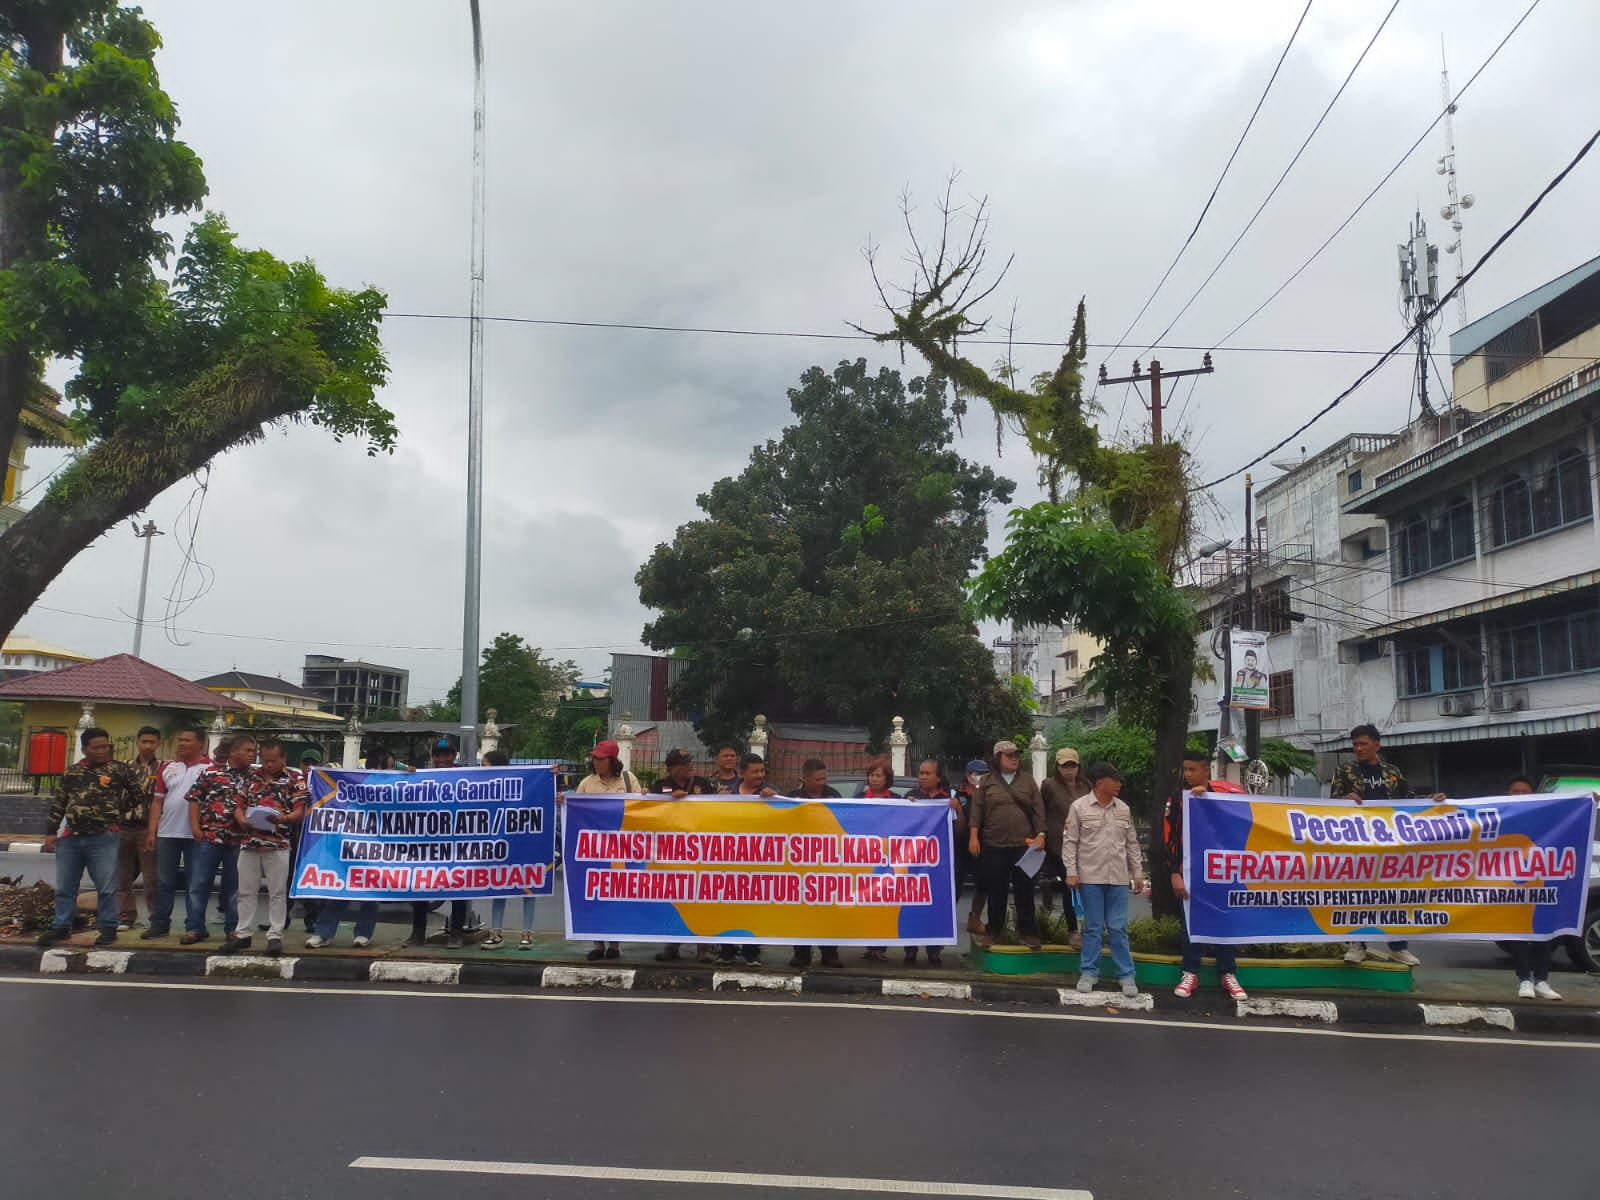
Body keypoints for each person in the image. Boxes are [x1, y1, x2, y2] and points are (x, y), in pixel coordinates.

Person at [1330, 724, 1434, 966]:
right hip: (1359, 843)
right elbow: (1331, 805)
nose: (1358, 748)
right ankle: (1357, 944)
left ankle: (1398, 947)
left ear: (1377, 745)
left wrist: (1433, 801)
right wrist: (1344, 800)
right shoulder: (1345, 771)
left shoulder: (1392, 771)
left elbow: (1409, 800)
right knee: (1360, 895)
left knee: (1394, 895)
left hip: (1391, 844)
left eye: (1363, 743)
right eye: (1355, 744)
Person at [37, 728, 143, 948]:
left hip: (103, 837)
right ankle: (61, 927)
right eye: (97, 747)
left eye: (105, 746)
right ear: (85, 749)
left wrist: (116, 809)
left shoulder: (118, 770)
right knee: (66, 887)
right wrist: (50, 832)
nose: (103, 751)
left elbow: (138, 794)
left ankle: (107, 928)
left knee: (106, 887)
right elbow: (59, 803)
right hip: (71, 837)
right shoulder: (73, 772)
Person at [1165, 750, 1248, 1000]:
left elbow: (1246, 818)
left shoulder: (1225, 793)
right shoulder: (1178, 799)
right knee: (1191, 923)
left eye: (1192, 770)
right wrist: (1174, 874)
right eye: (1185, 770)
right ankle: (1190, 972)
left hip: (1221, 872)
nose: (1188, 775)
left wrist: (1209, 800)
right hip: (1191, 872)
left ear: (1206, 770)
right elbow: (1169, 839)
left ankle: (1228, 973)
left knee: (1224, 920)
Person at [1066, 762, 1145, 999]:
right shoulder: (1078, 807)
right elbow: (1070, 842)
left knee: (1118, 928)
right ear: (1101, 782)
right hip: (1090, 877)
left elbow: (1131, 843)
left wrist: (1137, 872)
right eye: (1115, 780)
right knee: (1092, 928)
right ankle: (1089, 973)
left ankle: (1126, 975)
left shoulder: (1123, 809)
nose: (1119, 784)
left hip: (1119, 879)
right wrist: (1071, 871)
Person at [224, 737, 305, 956]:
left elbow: (300, 809)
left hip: (278, 843)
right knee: (245, 891)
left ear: (283, 759)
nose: (268, 765)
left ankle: (275, 935)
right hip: (249, 841)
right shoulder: (250, 776)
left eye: (273, 761)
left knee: (277, 892)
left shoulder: (295, 778)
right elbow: (237, 804)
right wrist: (241, 818)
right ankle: (242, 934)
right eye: (265, 760)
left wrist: (284, 819)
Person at [306, 747, 387, 949]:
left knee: (370, 892)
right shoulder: (355, 781)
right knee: (339, 889)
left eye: (385, 767)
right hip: (349, 844)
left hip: (377, 848)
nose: (379, 769)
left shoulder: (394, 785)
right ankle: (323, 933)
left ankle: (363, 934)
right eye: (376, 766)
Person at [968, 740, 1046, 949]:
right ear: (997, 758)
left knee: (1025, 889)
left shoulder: (1028, 781)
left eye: (1016, 755)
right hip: (994, 843)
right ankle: (993, 931)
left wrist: (1041, 834)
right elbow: (976, 812)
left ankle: (1028, 932)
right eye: (1009, 755)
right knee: (996, 889)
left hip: (1023, 844)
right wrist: (974, 837)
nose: (1014, 759)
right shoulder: (985, 782)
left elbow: (1038, 809)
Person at [182, 733, 255, 945]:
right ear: (233, 752)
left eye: (254, 751)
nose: (252, 755)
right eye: (248, 751)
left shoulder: (256, 777)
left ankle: (233, 929)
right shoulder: (211, 773)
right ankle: (194, 928)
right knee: (199, 884)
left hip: (240, 841)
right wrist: (195, 828)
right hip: (209, 837)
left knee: (235, 888)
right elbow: (194, 800)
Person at [574, 739, 644, 960]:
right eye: (594, 758)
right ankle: (598, 943)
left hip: (622, 847)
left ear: (612, 760)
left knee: (617, 893)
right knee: (595, 895)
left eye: (600, 758)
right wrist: (563, 802)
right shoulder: (587, 783)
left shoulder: (628, 779)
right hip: (595, 849)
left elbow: (640, 808)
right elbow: (576, 813)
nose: (596, 762)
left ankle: (614, 944)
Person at [651, 749, 718, 963]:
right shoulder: (659, 786)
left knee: (701, 900)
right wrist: (667, 799)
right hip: (670, 853)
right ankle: (672, 944)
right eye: (684, 764)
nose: (690, 767)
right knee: (674, 900)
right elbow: (648, 811)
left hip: (700, 852)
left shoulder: (703, 784)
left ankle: (704, 947)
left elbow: (719, 809)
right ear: (671, 768)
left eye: (689, 762)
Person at [142, 725, 210, 939]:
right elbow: (157, 801)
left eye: (187, 740)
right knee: (163, 881)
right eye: (180, 740)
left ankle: (195, 926)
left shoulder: (211, 769)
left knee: (196, 882)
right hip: (167, 833)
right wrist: (152, 832)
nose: (182, 744)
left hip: (196, 835)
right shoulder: (168, 768)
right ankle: (160, 924)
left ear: (201, 743)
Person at [408, 739, 473, 949]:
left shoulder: (468, 778)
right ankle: (418, 933)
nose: (442, 759)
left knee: (458, 889)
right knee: (420, 888)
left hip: (457, 845)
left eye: (446, 755)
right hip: (426, 844)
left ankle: (456, 934)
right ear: (432, 757)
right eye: (438, 755)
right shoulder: (419, 777)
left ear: (454, 756)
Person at [1504, 775, 1562, 1000]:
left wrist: (1589, 802)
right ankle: (1525, 980)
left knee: (1543, 930)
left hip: (1542, 879)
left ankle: (1542, 981)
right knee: (1518, 934)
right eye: (1515, 791)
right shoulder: (1501, 812)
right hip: (1512, 882)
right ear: (1508, 794)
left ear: (1533, 793)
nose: (1519, 795)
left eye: (1524, 791)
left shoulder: (1546, 813)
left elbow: (1572, 815)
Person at [717, 752, 776, 965]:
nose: (760, 775)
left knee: (753, 910)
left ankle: (751, 953)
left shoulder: (770, 794)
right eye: (755, 771)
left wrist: (774, 801)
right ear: (742, 773)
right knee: (727, 907)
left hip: (758, 863)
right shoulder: (727, 793)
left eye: (762, 771)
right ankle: (727, 952)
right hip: (729, 861)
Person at [787, 757, 842, 969]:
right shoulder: (792, 798)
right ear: (805, 778)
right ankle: (801, 953)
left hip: (827, 864)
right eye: (818, 779)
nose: (822, 782)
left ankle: (830, 953)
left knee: (829, 911)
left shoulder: (833, 796)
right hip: (800, 865)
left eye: (824, 778)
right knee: (801, 911)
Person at [903, 758, 958, 966]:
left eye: (927, 773)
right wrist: (908, 809)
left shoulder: (949, 798)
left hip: (939, 862)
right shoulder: (911, 797)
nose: (922, 777)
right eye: (921, 773)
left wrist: (957, 809)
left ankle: (934, 950)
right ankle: (910, 949)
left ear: (938, 777)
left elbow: (958, 831)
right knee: (912, 903)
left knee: (937, 904)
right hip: (915, 861)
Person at [112, 725, 163, 932]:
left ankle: (156, 918)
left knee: (152, 879)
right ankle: (126, 916)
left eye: (152, 742)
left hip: (148, 829)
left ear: (158, 743)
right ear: (137, 742)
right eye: (144, 741)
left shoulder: (163, 768)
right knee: (122, 877)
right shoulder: (123, 767)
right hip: (123, 828)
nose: (148, 746)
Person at [1040, 747, 1088, 946]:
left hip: (1085, 846)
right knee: (1071, 886)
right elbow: (1040, 811)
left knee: (1087, 888)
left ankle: (1088, 929)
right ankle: (1072, 930)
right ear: (1057, 767)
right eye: (1064, 766)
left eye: (1072, 765)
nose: (1069, 770)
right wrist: (1041, 835)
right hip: (1058, 845)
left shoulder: (1087, 786)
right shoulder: (1049, 785)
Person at [955, 759, 986, 934]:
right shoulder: (957, 795)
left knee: (983, 883)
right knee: (956, 886)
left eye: (984, 773)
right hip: (960, 846)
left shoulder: (988, 793)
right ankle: (947, 918)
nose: (980, 777)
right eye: (977, 773)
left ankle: (975, 918)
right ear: (968, 775)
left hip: (982, 845)